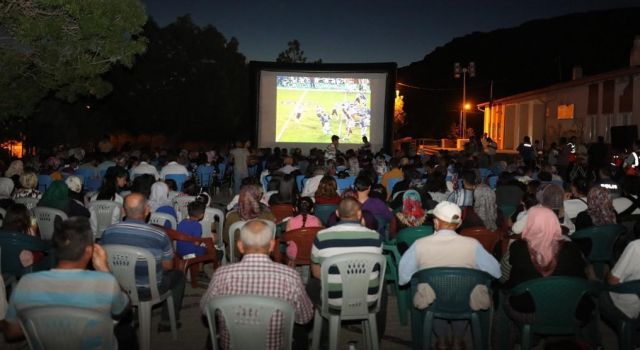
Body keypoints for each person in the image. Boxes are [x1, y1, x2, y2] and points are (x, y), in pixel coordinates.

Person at [2, 217, 130, 347]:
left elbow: (11, 332)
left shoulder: (25, 284)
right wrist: (105, 269)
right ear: (89, 251)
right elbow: (122, 310)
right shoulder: (106, 283)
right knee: (127, 331)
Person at [398, 201, 500, 349]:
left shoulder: (420, 244)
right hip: (465, 302)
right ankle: (458, 339)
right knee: (463, 293)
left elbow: (403, 278)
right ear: (458, 225)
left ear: (435, 222)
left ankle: (441, 338)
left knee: (432, 294)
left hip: (433, 302)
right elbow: (496, 272)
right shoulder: (473, 244)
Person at [200, 220, 313, 350]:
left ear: (240, 246)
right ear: (271, 245)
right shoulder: (290, 277)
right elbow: (305, 317)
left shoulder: (221, 275)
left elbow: (205, 309)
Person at [101, 193, 186, 332]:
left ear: (123, 211)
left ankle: (134, 316)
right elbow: (167, 267)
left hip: (117, 287)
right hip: (148, 290)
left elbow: (104, 261)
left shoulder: (108, 232)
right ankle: (167, 322)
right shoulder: (160, 235)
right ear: (147, 210)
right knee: (178, 275)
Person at [307, 197, 386, 335]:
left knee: (312, 284)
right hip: (367, 299)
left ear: (337, 213)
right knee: (382, 283)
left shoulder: (321, 236)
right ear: (360, 214)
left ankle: (323, 336)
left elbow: (316, 273)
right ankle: (377, 335)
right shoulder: (376, 237)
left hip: (333, 301)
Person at [223, 184, 275, 260]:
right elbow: (272, 236)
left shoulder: (231, 216)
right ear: (258, 197)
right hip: (263, 251)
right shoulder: (269, 215)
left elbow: (226, 238)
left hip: (238, 252)